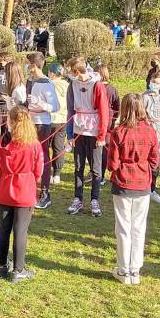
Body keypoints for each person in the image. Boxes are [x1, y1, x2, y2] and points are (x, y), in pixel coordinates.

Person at [106, 92, 160, 285]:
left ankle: (124, 269)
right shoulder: (150, 130)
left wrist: (121, 167)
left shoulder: (119, 132)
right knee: (138, 227)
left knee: (123, 228)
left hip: (123, 182)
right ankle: (134, 269)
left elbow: (112, 163)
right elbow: (155, 159)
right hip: (142, 182)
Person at [0, 105, 43, 282]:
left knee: (3, 228)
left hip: (5, 188)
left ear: (11, 121)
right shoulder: (34, 145)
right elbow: (38, 171)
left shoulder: (2, 142)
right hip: (25, 190)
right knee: (20, 231)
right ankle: (18, 269)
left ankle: (2, 264)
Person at [65, 56, 111, 217]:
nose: (68, 74)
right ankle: (78, 198)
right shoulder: (73, 84)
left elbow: (104, 112)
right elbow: (70, 110)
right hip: (78, 131)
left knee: (96, 168)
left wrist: (101, 135)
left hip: (94, 132)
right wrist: (69, 134)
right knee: (78, 167)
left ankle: (94, 199)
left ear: (76, 71)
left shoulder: (97, 85)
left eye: (70, 71)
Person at [25, 53, 60, 209]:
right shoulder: (31, 81)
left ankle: (45, 193)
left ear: (34, 65)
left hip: (42, 125)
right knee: (29, 156)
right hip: (30, 123)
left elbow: (55, 107)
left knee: (43, 157)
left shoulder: (46, 83)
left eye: (28, 64)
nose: (27, 67)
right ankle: (30, 190)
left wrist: (39, 103)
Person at [142, 71, 160, 205]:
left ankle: (152, 189)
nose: (155, 85)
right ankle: (145, 188)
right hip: (148, 136)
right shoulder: (144, 97)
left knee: (156, 164)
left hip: (159, 136)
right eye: (153, 82)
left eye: (158, 83)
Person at [46, 63, 69, 186]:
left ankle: (48, 173)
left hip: (50, 119)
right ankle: (57, 174)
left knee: (45, 147)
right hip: (62, 120)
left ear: (53, 73)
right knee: (58, 148)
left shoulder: (49, 85)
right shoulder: (67, 85)